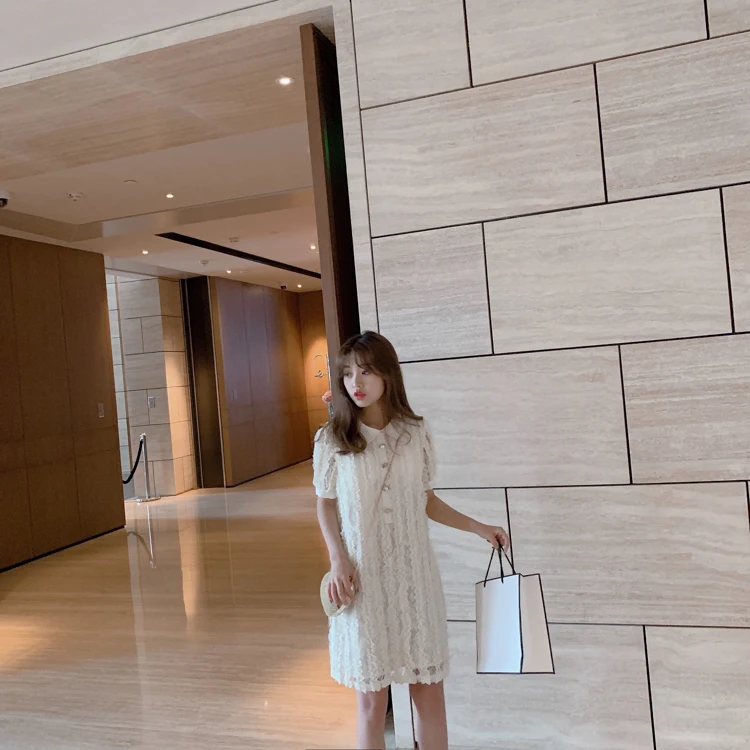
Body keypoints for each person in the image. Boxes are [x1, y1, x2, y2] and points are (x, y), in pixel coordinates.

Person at [314, 331, 509, 750]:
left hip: (415, 578)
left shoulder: (415, 433)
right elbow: (325, 505)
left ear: (388, 374)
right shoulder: (334, 438)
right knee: (372, 702)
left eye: (366, 371)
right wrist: (338, 559)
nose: (355, 383)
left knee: (428, 692)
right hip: (363, 581)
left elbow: (426, 500)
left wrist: (478, 527)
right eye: (348, 373)